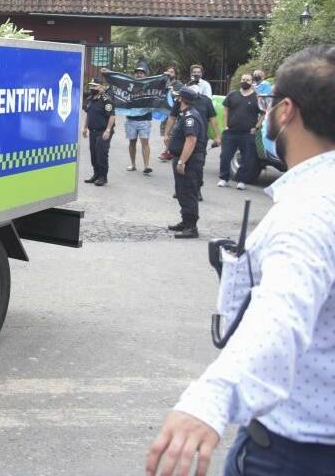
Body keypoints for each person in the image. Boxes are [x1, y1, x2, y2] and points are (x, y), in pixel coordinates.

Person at [146, 45, 335, 476]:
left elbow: (281, 312)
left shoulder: (311, 210)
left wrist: (209, 400)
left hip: (295, 453)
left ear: (285, 111)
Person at [164, 84, 220, 201]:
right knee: (177, 163)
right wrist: (166, 133)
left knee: (196, 167)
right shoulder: (180, 102)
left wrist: (218, 136)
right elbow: (172, 117)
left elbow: (213, 119)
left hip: (199, 139)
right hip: (182, 139)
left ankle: (197, 190)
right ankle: (179, 189)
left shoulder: (205, 101)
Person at [166, 85, 207, 239]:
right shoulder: (184, 114)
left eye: (178, 97)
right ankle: (185, 221)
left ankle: (191, 227)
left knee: (189, 193)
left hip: (190, 162)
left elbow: (191, 140)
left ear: (182, 99)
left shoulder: (191, 117)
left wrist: (182, 161)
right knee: (182, 192)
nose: (176, 99)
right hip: (183, 159)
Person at [218, 74, 264, 190]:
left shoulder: (257, 97)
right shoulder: (232, 95)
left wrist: (256, 127)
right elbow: (225, 110)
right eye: (243, 79)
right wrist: (225, 126)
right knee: (225, 156)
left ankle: (241, 180)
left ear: (252, 82)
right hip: (231, 132)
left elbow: (264, 112)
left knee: (247, 158)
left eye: (247, 80)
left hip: (247, 133)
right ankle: (224, 178)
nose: (245, 81)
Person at [82, 78, 116, 186]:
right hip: (92, 131)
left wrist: (108, 130)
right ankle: (96, 174)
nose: (92, 88)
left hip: (103, 131)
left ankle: (103, 177)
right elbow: (88, 114)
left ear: (101, 87)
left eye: (95, 86)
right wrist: (84, 128)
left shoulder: (106, 100)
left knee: (101, 154)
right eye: (91, 86)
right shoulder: (91, 98)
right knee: (93, 154)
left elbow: (112, 116)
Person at [124, 61, 154, 174]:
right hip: (131, 119)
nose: (139, 74)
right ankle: (133, 164)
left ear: (145, 74)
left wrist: (166, 76)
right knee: (132, 142)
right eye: (137, 72)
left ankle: (146, 166)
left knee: (145, 142)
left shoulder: (151, 85)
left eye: (141, 72)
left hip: (145, 119)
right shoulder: (129, 85)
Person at [158, 66, 182, 162]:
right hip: (164, 112)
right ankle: (171, 151)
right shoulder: (163, 83)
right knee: (164, 133)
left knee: (171, 134)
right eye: (168, 72)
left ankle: (169, 152)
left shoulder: (179, 84)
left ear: (175, 74)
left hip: (174, 113)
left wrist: (172, 91)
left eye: (172, 72)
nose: (170, 74)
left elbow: (181, 96)